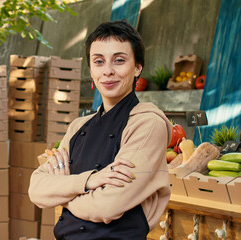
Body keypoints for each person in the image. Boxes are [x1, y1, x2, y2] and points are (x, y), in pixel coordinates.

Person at [28, 20, 172, 239]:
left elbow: (109, 205)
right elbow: (36, 189)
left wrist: (63, 193)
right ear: (91, 70)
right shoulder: (78, 126)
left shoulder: (147, 123)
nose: (107, 71)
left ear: (138, 67)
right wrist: (88, 181)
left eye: (119, 61)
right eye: (98, 61)